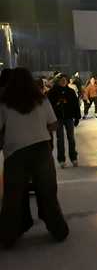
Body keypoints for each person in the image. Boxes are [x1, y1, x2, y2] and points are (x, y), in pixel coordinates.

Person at [0, 68, 69, 248]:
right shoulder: (41, 100)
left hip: (15, 153)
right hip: (41, 150)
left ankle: (8, 236)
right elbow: (53, 124)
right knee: (47, 192)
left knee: (13, 196)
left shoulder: (4, 103)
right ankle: (58, 230)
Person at [47, 73, 81, 168]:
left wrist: (77, 117)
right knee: (60, 139)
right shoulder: (52, 92)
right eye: (61, 80)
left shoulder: (70, 91)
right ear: (57, 81)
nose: (63, 81)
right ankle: (61, 159)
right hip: (58, 118)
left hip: (69, 117)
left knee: (71, 138)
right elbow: (48, 106)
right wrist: (57, 104)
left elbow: (75, 105)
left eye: (65, 80)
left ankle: (73, 158)